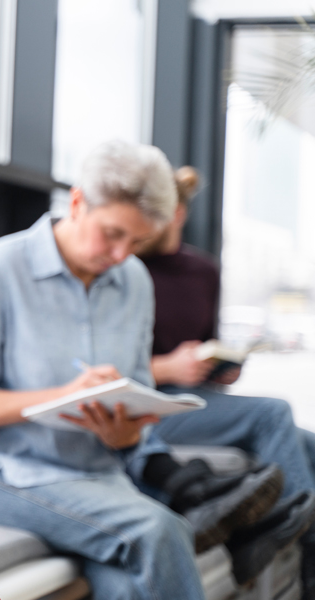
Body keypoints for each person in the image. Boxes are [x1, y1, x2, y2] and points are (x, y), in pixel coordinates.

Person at [0, 140, 283, 600]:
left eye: (136, 242)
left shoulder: (134, 281)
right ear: (77, 203)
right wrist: (62, 395)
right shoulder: (3, 266)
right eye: (113, 234)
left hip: (98, 478)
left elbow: (133, 394)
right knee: (159, 531)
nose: (121, 254)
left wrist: (127, 436)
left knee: (128, 588)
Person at [139, 167, 315, 586]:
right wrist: (166, 367)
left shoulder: (203, 272)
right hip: (153, 399)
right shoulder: (125, 269)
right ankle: (301, 544)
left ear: (178, 213)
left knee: (309, 442)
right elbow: (105, 366)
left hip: (200, 397)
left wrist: (221, 367)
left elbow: (205, 342)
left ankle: (305, 559)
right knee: (274, 413)